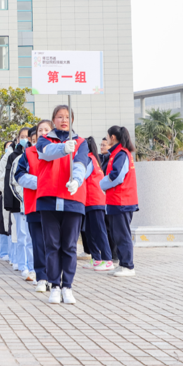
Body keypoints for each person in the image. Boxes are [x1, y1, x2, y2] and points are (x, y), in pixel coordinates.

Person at [33, 106, 90, 305]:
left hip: (72, 199)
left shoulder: (81, 142)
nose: (64, 120)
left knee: (69, 246)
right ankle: (54, 285)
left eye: (67, 117)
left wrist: (77, 180)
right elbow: (46, 154)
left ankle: (68, 286)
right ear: (53, 120)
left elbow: (81, 163)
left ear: (72, 120)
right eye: (59, 117)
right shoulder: (44, 139)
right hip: (48, 198)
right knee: (52, 245)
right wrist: (63, 148)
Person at [15, 120, 54, 292]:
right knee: (38, 243)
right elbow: (19, 175)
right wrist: (42, 183)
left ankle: (54, 278)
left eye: (47, 129)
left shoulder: (60, 152)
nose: (43, 132)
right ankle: (41, 277)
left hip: (55, 206)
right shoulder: (28, 153)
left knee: (53, 244)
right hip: (34, 204)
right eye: (40, 130)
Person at [101, 125, 139, 277]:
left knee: (123, 234)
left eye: (108, 136)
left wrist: (102, 184)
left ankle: (128, 266)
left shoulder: (121, 154)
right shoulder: (117, 153)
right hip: (117, 200)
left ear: (113, 137)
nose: (107, 138)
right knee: (118, 234)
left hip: (122, 200)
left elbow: (117, 176)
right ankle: (123, 264)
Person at [79, 136, 114, 272]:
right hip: (90, 201)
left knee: (99, 231)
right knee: (89, 231)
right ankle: (96, 259)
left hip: (95, 200)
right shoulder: (94, 159)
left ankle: (107, 259)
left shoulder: (88, 159)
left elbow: (82, 176)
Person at [7, 128, 34, 281]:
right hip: (24, 203)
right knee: (23, 236)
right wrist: (23, 198)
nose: (25, 139)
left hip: (40, 204)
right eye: (22, 137)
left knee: (35, 238)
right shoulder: (19, 158)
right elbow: (14, 181)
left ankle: (36, 268)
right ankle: (25, 266)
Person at [0, 141, 15, 264]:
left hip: (16, 197)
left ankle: (14, 256)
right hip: (5, 198)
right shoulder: (4, 159)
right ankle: (6, 253)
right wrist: (7, 189)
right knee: (7, 228)